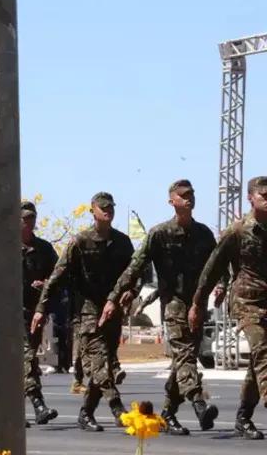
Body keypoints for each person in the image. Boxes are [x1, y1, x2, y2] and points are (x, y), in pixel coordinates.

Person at [104, 180, 218, 435]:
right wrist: (115, 296)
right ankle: (199, 403)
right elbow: (136, 267)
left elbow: (216, 265)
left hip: (197, 303)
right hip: (174, 303)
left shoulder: (204, 234)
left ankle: (167, 414)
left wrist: (220, 286)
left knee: (182, 361)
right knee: (186, 355)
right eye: (183, 195)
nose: (189, 199)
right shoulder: (159, 234)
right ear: (172, 201)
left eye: (192, 194)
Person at [34, 192, 134, 432]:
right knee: (99, 363)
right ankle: (118, 409)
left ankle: (86, 412)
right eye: (102, 208)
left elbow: (135, 272)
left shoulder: (122, 242)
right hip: (88, 311)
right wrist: (41, 308)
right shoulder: (80, 242)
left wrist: (131, 291)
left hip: (113, 312)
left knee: (105, 365)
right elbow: (57, 276)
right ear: (93, 212)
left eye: (110, 207)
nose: (107, 211)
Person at [192, 175, 267, 440]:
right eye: (264, 197)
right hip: (246, 302)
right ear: (251, 198)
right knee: (262, 349)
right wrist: (198, 303)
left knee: (257, 363)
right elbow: (212, 269)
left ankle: (243, 418)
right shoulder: (237, 231)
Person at [18, 201, 61, 426]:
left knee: (23, 363)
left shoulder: (44, 249)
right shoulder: (4, 248)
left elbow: (58, 279)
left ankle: (13, 411)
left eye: (32, 218)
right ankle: (38, 404)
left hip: (34, 313)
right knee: (27, 359)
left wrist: (44, 285)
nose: (28, 223)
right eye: (25, 219)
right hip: (10, 314)